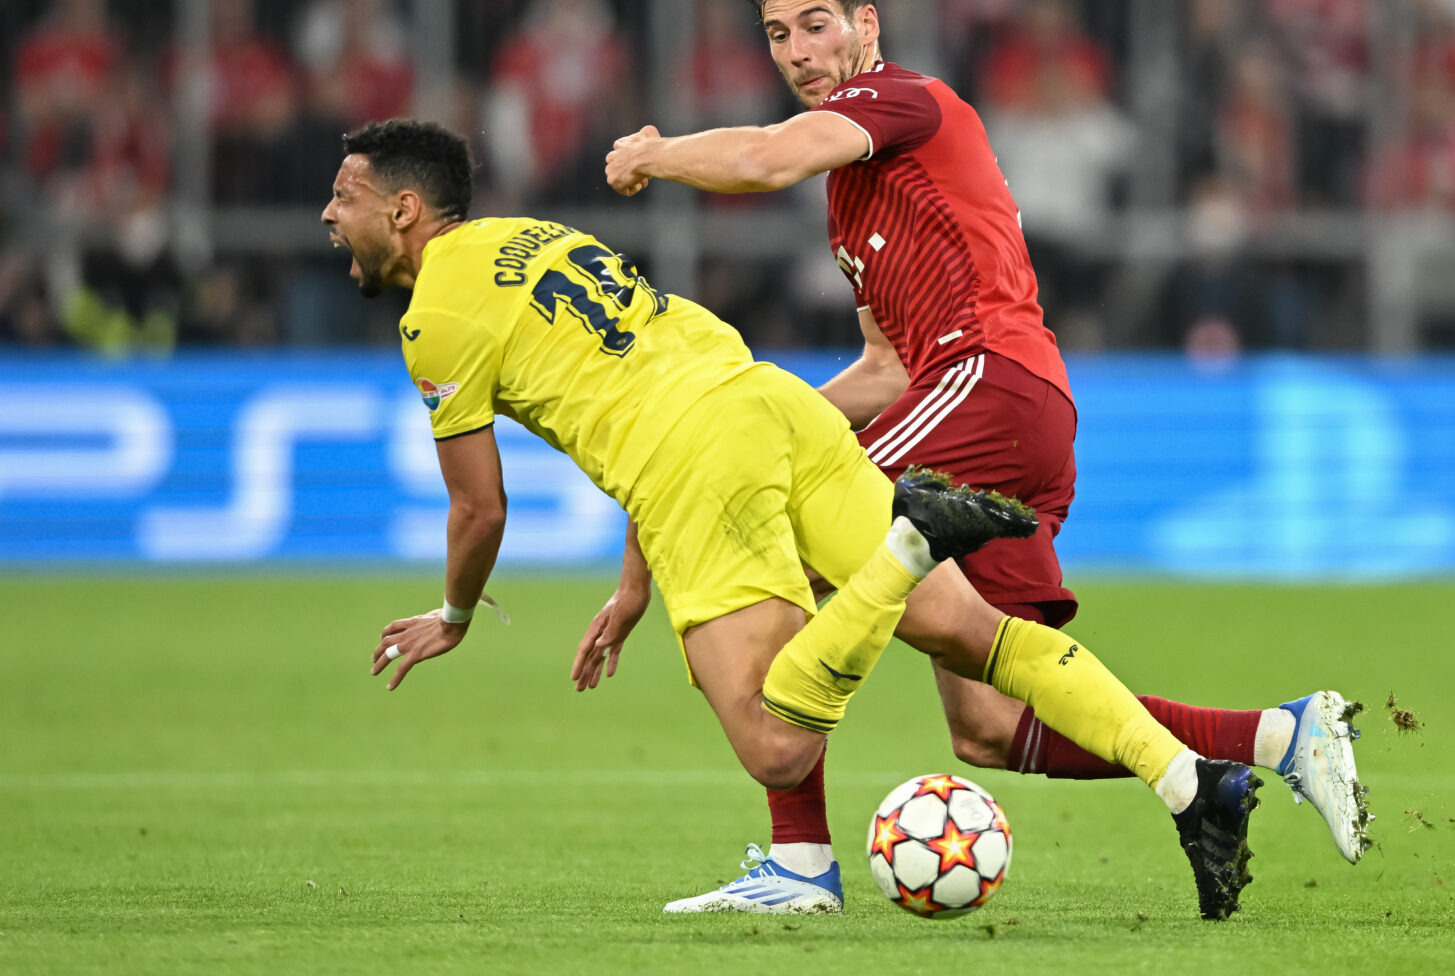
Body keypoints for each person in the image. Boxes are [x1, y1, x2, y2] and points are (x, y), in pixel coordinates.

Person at [602, 0, 1370, 916]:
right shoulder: (851, 199)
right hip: (1004, 410)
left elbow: (762, 160)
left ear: (866, 26)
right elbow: (884, 368)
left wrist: (659, 152)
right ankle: (1277, 737)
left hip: (986, 384)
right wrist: (758, 421)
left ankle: (799, 862)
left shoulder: (899, 99)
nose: (798, 51)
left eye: (816, 25)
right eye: (778, 34)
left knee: (776, 545)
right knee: (990, 725)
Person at [326, 117, 1263, 922]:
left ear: (404, 210)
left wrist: (454, 614)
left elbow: (478, 508)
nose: (330, 215)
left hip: (692, 461)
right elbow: (645, 379)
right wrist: (634, 583)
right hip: (769, 402)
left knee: (777, 744)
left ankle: (906, 549)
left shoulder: (434, 318)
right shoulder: (532, 237)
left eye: (345, 197)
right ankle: (1188, 783)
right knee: (975, 633)